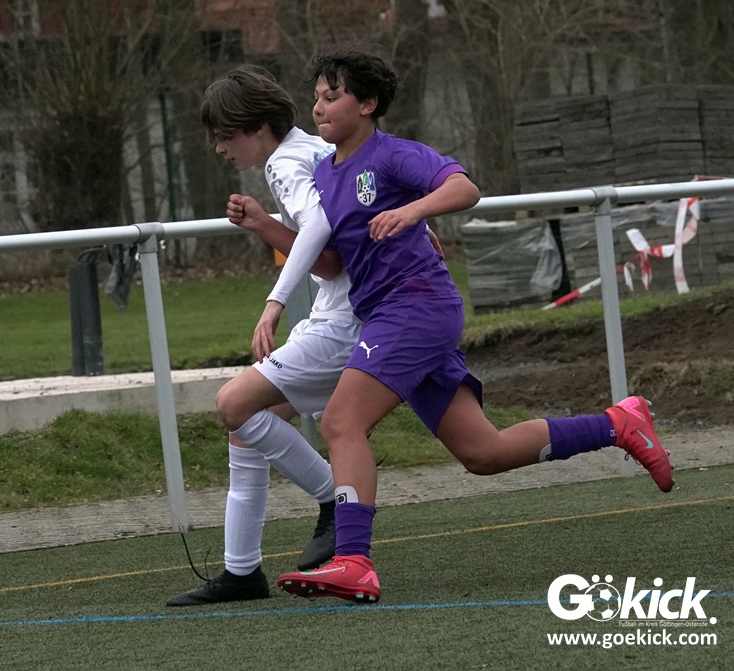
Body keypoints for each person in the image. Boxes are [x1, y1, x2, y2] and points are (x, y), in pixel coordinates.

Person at [270, 42, 675, 605]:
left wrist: (413, 211)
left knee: (341, 422)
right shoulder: (325, 173)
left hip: (415, 307)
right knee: (484, 452)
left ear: (367, 104)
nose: (318, 107)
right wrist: (265, 229)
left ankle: (354, 562)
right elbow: (332, 261)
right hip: (389, 313)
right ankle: (618, 424)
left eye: (331, 96)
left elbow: (465, 188)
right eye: (315, 96)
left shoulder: (394, 155)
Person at [168, 65, 413, 607]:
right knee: (251, 426)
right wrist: (263, 224)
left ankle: (334, 499)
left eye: (223, 135)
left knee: (233, 405)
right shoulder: (317, 149)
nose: (218, 148)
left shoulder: (282, 162)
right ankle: (241, 571)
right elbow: (332, 256)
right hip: (364, 313)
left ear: (256, 126)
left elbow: (321, 233)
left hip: (346, 323)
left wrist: (273, 302)